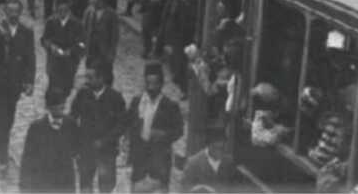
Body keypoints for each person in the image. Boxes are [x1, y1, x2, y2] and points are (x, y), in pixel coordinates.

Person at [0, 0, 36, 176]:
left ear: (20, 13)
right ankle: (2, 159)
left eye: (16, 11)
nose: (13, 14)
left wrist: (30, 81)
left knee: (9, 120)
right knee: (1, 121)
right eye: (10, 11)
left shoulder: (26, 32)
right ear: (5, 12)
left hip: (15, 83)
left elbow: (30, 57)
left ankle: (1, 144)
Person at [70, 60, 127, 194]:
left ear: (101, 78)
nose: (87, 81)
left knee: (106, 187)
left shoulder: (115, 98)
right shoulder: (82, 94)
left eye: (90, 78)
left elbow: (122, 125)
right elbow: (72, 118)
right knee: (85, 185)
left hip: (106, 151)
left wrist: (105, 141)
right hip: (86, 150)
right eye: (86, 77)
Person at [126, 61, 184, 192]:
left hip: (160, 158)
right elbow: (128, 123)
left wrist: (164, 135)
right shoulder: (137, 102)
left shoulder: (170, 106)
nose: (151, 87)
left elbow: (179, 130)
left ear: (161, 84)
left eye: (155, 84)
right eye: (148, 83)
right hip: (140, 157)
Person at [19, 88, 79, 193]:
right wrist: (24, 185)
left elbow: (76, 149)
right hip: (43, 181)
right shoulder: (36, 128)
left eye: (63, 104)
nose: (61, 108)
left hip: (65, 181)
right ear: (48, 107)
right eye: (57, 105)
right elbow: (28, 157)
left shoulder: (70, 124)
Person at [41, 0, 86, 100]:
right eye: (59, 10)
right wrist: (51, 46)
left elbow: (82, 44)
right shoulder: (51, 22)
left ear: (69, 9)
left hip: (70, 63)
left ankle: (61, 106)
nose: (62, 13)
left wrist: (71, 51)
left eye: (65, 10)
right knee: (53, 89)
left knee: (66, 89)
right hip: (54, 62)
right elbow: (44, 39)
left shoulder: (77, 24)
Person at [180, 126, 236, 193]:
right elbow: (184, 188)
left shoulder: (229, 162)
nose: (219, 152)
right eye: (216, 148)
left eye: (222, 148)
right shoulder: (193, 163)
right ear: (208, 145)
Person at [82, 0, 120, 70]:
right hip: (91, 49)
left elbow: (114, 36)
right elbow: (83, 30)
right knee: (89, 71)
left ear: (100, 0)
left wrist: (112, 52)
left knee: (103, 72)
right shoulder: (89, 11)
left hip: (104, 50)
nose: (90, 0)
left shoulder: (112, 14)